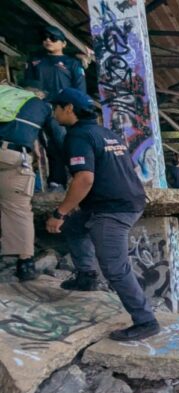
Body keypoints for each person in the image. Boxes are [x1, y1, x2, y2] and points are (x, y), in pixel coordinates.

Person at [46, 88, 160, 342]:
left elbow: (84, 178)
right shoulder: (106, 133)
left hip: (113, 210)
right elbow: (129, 167)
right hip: (122, 202)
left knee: (115, 267)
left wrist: (60, 212)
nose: (54, 113)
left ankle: (146, 321)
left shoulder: (77, 136)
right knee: (75, 227)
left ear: (69, 109)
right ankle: (86, 276)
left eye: (56, 108)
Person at [0, 80, 57, 281]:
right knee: (18, 209)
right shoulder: (41, 106)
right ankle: (25, 263)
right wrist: (56, 179)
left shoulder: (4, 96)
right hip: (13, 157)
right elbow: (55, 141)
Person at [25, 26, 86, 192]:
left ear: (64, 43)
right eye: (45, 38)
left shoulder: (72, 63)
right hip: (38, 108)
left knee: (62, 143)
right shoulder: (34, 60)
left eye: (53, 38)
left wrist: (76, 111)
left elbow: (80, 91)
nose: (48, 41)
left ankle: (72, 179)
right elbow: (28, 86)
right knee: (44, 145)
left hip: (62, 109)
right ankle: (54, 181)